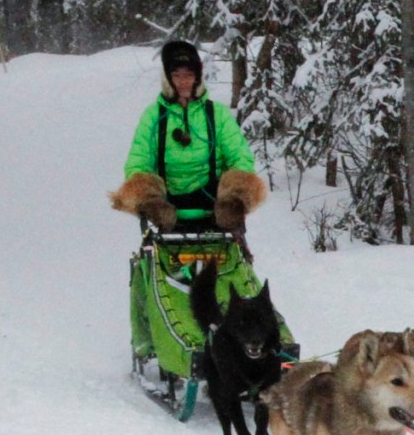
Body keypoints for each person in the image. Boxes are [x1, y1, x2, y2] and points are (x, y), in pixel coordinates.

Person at [113, 40, 291, 367]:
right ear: (168, 78)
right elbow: (138, 161)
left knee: (231, 277)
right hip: (170, 216)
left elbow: (239, 155)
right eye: (178, 75)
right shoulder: (154, 117)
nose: (185, 81)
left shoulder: (216, 115)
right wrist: (150, 199)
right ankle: (175, 344)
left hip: (214, 212)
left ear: (199, 77)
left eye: (190, 74)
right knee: (167, 281)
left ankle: (253, 335)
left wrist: (235, 197)